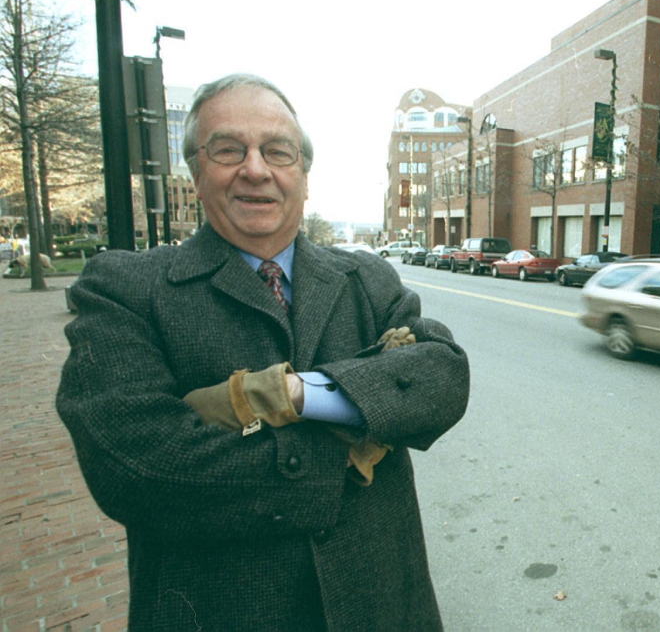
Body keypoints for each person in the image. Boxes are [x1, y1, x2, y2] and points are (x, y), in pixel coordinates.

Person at [56, 74, 470, 631]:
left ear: (302, 175)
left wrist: (287, 395)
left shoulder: (367, 279)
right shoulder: (126, 289)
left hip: (381, 609)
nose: (256, 169)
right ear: (196, 173)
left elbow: (442, 377)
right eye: (229, 150)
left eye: (278, 151)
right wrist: (347, 447)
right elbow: (136, 468)